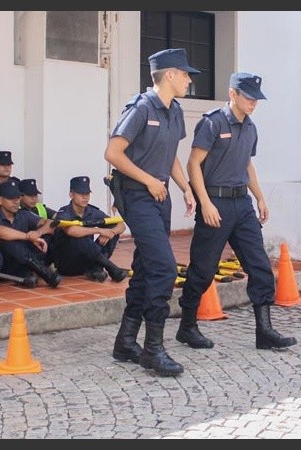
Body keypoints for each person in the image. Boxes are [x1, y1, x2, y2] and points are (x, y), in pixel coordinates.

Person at [179, 72, 297, 351]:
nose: (254, 103)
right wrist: (205, 202)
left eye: (257, 99)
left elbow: (247, 164)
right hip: (216, 202)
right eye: (248, 97)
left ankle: (264, 331)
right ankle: (187, 326)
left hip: (242, 204)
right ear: (233, 94)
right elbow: (193, 163)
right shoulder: (212, 123)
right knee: (203, 269)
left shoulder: (251, 127)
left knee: (260, 266)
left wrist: (260, 198)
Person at [103, 48, 197, 377]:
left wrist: (185, 187)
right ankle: (153, 349)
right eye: (185, 74)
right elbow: (113, 153)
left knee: (145, 267)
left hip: (160, 195)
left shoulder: (175, 111)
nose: (189, 80)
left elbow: (170, 155)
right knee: (164, 268)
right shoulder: (142, 108)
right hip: (137, 195)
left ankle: (125, 341)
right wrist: (149, 181)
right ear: (169, 75)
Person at [0, 179, 62, 288]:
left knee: (49, 236)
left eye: (18, 198)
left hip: (19, 261)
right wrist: (28, 236)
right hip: (1, 263)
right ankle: (44, 273)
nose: (16, 202)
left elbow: (50, 223)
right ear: (0, 200)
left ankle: (33, 273)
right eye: (11, 198)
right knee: (10, 242)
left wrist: (38, 233)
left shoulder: (23, 214)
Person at [52, 176, 128, 283]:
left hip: (88, 258)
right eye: (81, 194)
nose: (85, 197)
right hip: (67, 264)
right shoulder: (64, 212)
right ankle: (111, 268)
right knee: (80, 237)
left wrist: (111, 232)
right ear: (71, 195)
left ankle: (96, 268)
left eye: (87, 194)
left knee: (112, 231)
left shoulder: (92, 211)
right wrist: (99, 230)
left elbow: (121, 225)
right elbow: (71, 231)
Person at [19, 178, 58, 265]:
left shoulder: (40, 207)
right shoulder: (16, 210)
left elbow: (59, 217)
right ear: (20, 196)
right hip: (27, 245)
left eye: (35, 195)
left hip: (43, 245)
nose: (34, 199)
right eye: (30, 196)